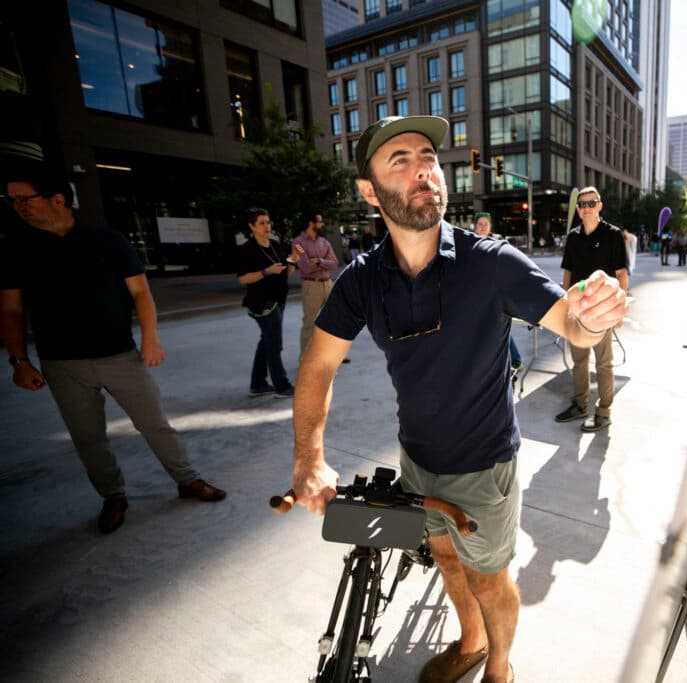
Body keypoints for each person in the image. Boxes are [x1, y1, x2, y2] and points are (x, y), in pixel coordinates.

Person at [290, 116, 627, 683]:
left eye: (428, 155)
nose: (424, 166)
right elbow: (318, 366)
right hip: (417, 462)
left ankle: (499, 669)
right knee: (444, 558)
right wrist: (309, 458)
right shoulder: (361, 280)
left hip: (484, 467)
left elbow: (573, 325)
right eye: (400, 159)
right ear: (368, 192)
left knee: (491, 579)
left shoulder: (490, 262)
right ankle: (471, 643)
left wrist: (594, 317)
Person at [0, 172, 225, 534]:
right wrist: (19, 360)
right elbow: (10, 310)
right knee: (87, 437)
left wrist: (150, 340)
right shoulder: (17, 248)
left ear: (58, 199)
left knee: (154, 424)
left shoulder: (107, 240)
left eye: (25, 198)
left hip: (120, 356)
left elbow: (141, 293)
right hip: (62, 364)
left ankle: (188, 480)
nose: (18, 207)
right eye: (12, 200)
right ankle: (113, 496)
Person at [555, 186, 629, 433]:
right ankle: (579, 404)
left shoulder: (613, 235)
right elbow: (567, 273)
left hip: (602, 311)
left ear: (600, 206)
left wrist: (620, 308)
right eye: (582, 204)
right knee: (579, 362)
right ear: (577, 209)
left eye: (591, 203)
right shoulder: (573, 238)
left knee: (604, 364)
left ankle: (604, 411)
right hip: (577, 311)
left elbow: (621, 274)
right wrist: (565, 306)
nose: (586, 208)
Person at [237, 207, 301, 398]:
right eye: (262, 223)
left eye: (268, 222)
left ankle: (257, 384)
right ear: (252, 226)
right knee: (274, 344)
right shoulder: (247, 250)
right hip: (263, 303)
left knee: (266, 341)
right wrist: (266, 272)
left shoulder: (274, 244)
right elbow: (243, 279)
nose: (267, 226)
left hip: (279, 300)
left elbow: (285, 272)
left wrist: (293, 261)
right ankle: (281, 386)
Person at [474, 211, 522, 371]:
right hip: (477, 296)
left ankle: (515, 360)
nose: (482, 227)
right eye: (479, 224)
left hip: (496, 296)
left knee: (499, 328)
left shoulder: (497, 245)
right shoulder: (469, 246)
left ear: (490, 227)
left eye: (485, 224)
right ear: (475, 226)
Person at [293, 210, 339, 359]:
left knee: (332, 320)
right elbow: (305, 266)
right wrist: (323, 261)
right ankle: (306, 357)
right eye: (319, 221)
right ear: (311, 223)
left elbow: (335, 263)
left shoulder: (324, 242)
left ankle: (329, 354)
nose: (322, 224)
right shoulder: (297, 243)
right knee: (310, 323)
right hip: (311, 286)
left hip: (328, 284)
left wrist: (319, 260)